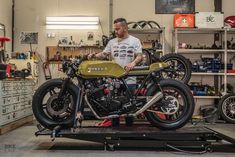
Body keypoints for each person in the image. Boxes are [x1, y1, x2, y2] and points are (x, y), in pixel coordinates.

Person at [88, 18, 143, 127]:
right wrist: (94, 55)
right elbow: (104, 54)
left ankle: (129, 134)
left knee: (129, 111)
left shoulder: (134, 41)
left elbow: (140, 56)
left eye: (118, 29)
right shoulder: (112, 42)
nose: (116, 31)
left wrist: (133, 63)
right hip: (114, 80)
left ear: (125, 28)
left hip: (129, 79)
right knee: (113, 110)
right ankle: (115, 134)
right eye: (115, 29)